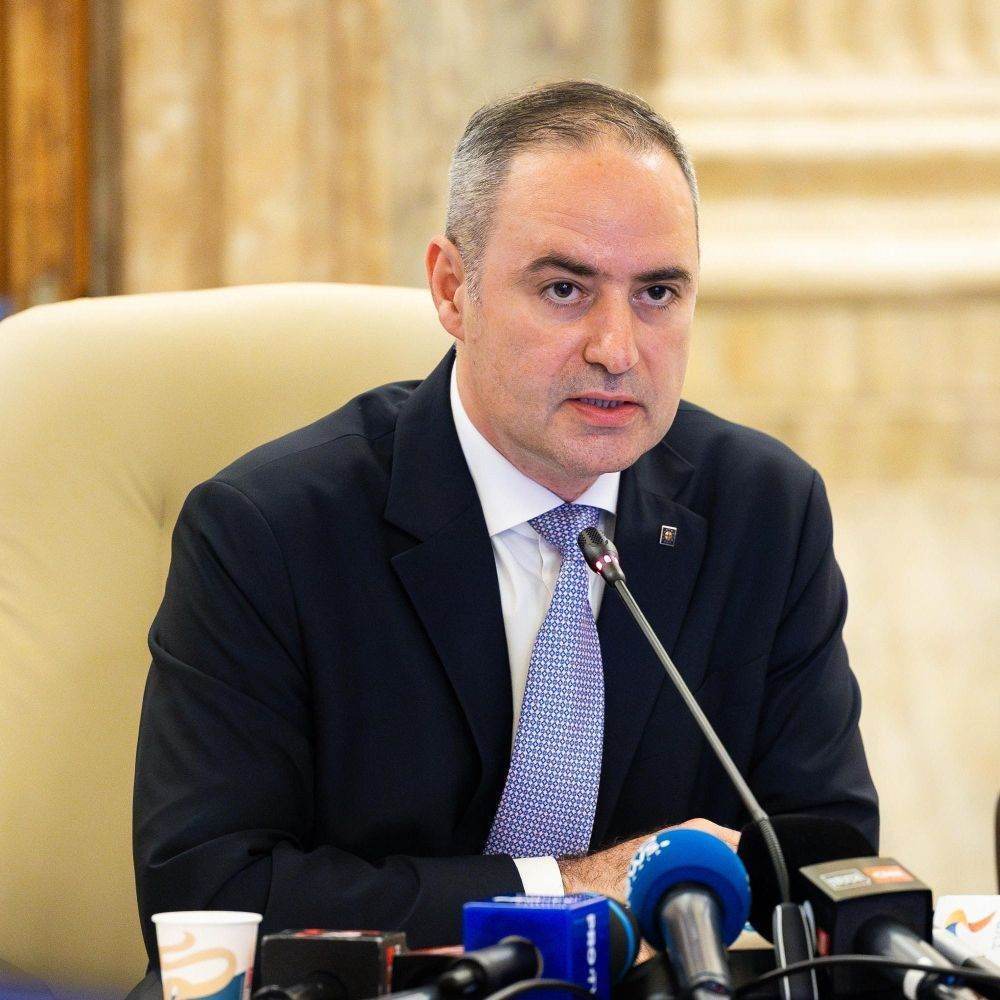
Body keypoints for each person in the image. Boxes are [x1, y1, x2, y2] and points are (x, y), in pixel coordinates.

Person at [133, 80, 878, 964]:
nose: (616, 348)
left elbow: (827, 860)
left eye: (658, 292)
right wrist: (569, 891)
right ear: (453, 289)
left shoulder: (763, 510)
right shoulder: (267, 532)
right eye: (565, 288)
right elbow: (210, 892)